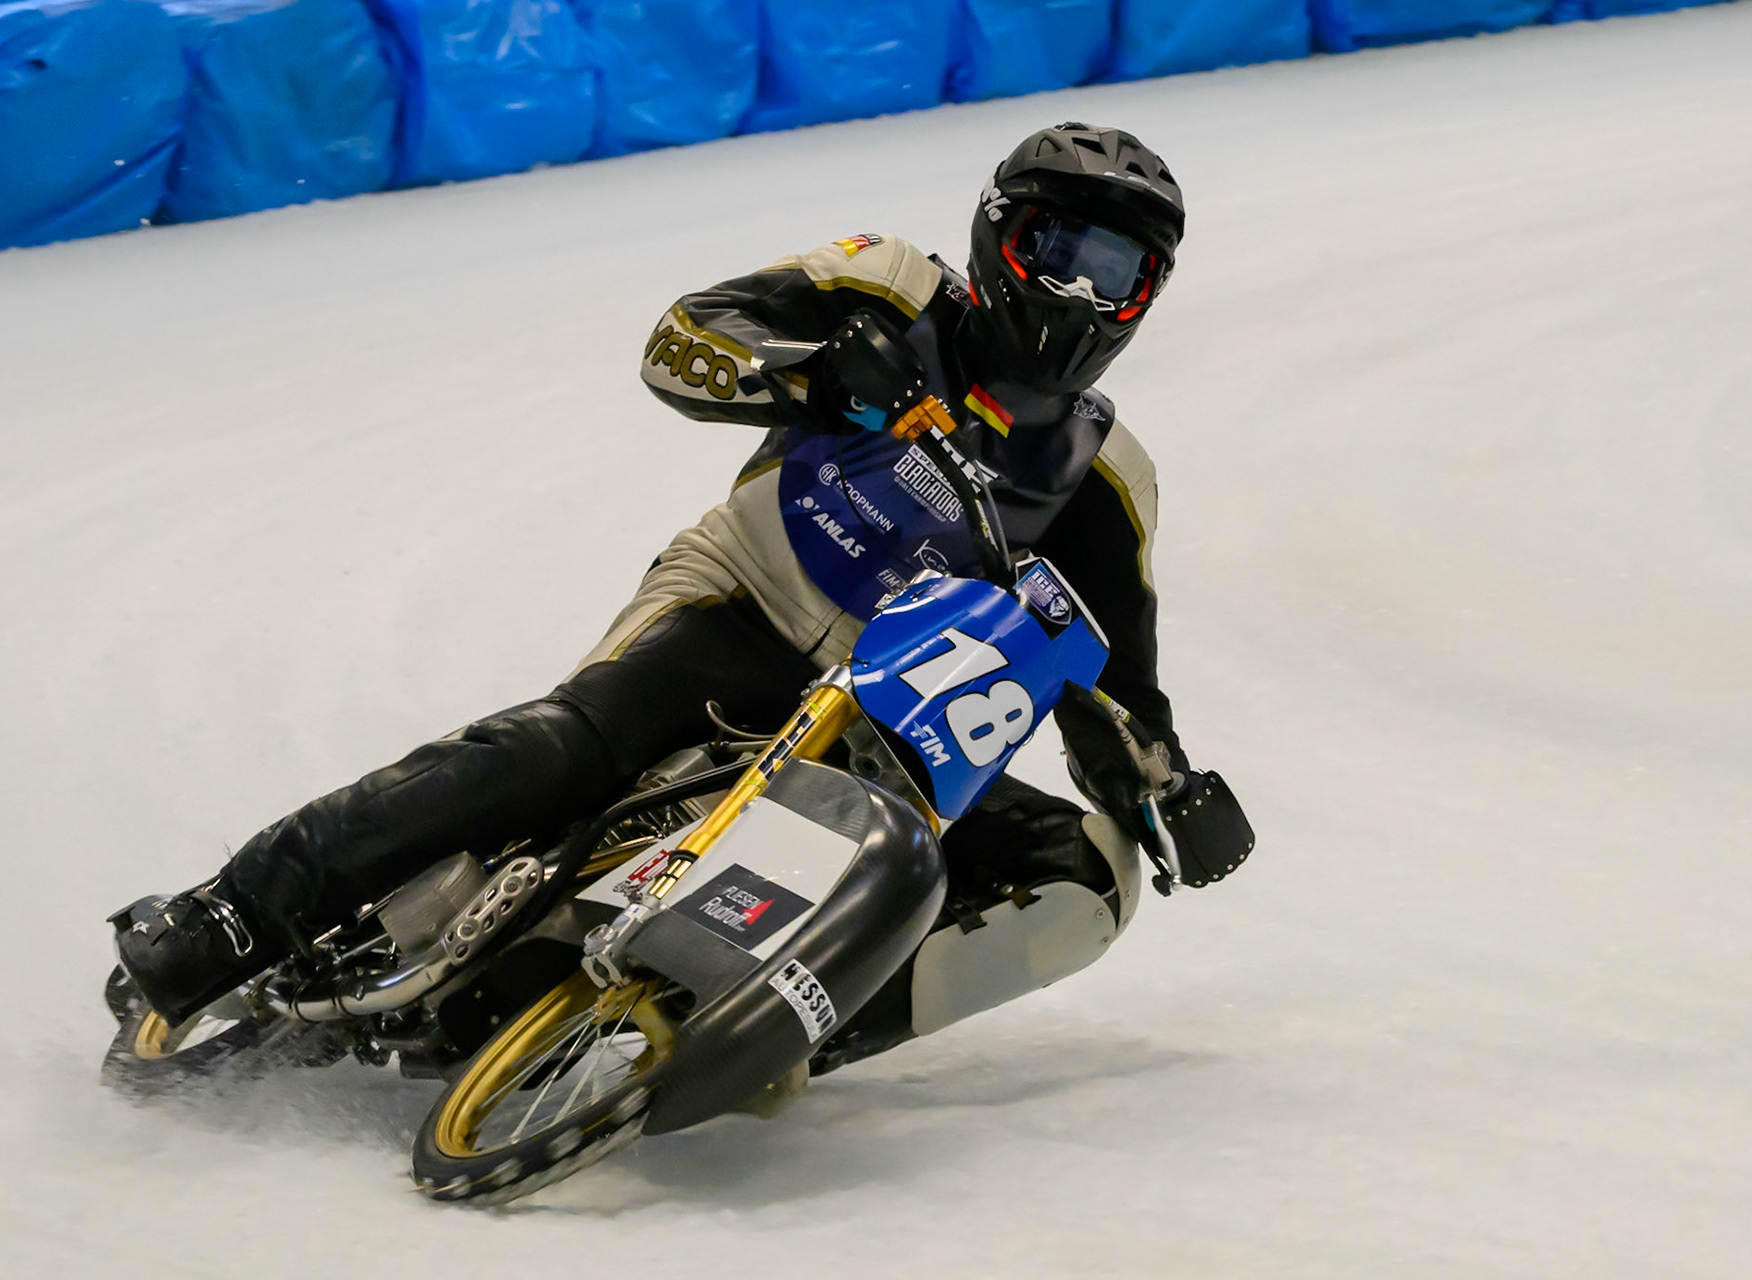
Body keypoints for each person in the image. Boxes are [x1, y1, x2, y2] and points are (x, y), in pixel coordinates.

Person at [113, 124, 1255, 1045]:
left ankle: (777, 1033)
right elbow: (681, 340)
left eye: (1115, 272)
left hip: (890, 719)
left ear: (1146, 295)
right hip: (742, 597)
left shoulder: (1111, 479)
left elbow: (1111, 686)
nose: (1078, 293)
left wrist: (1172, 792)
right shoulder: (892, 285)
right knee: (564, 751)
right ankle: (233, 908)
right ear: (1002, 236)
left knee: (1089, 872)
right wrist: (806, 371)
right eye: (1061, 250)